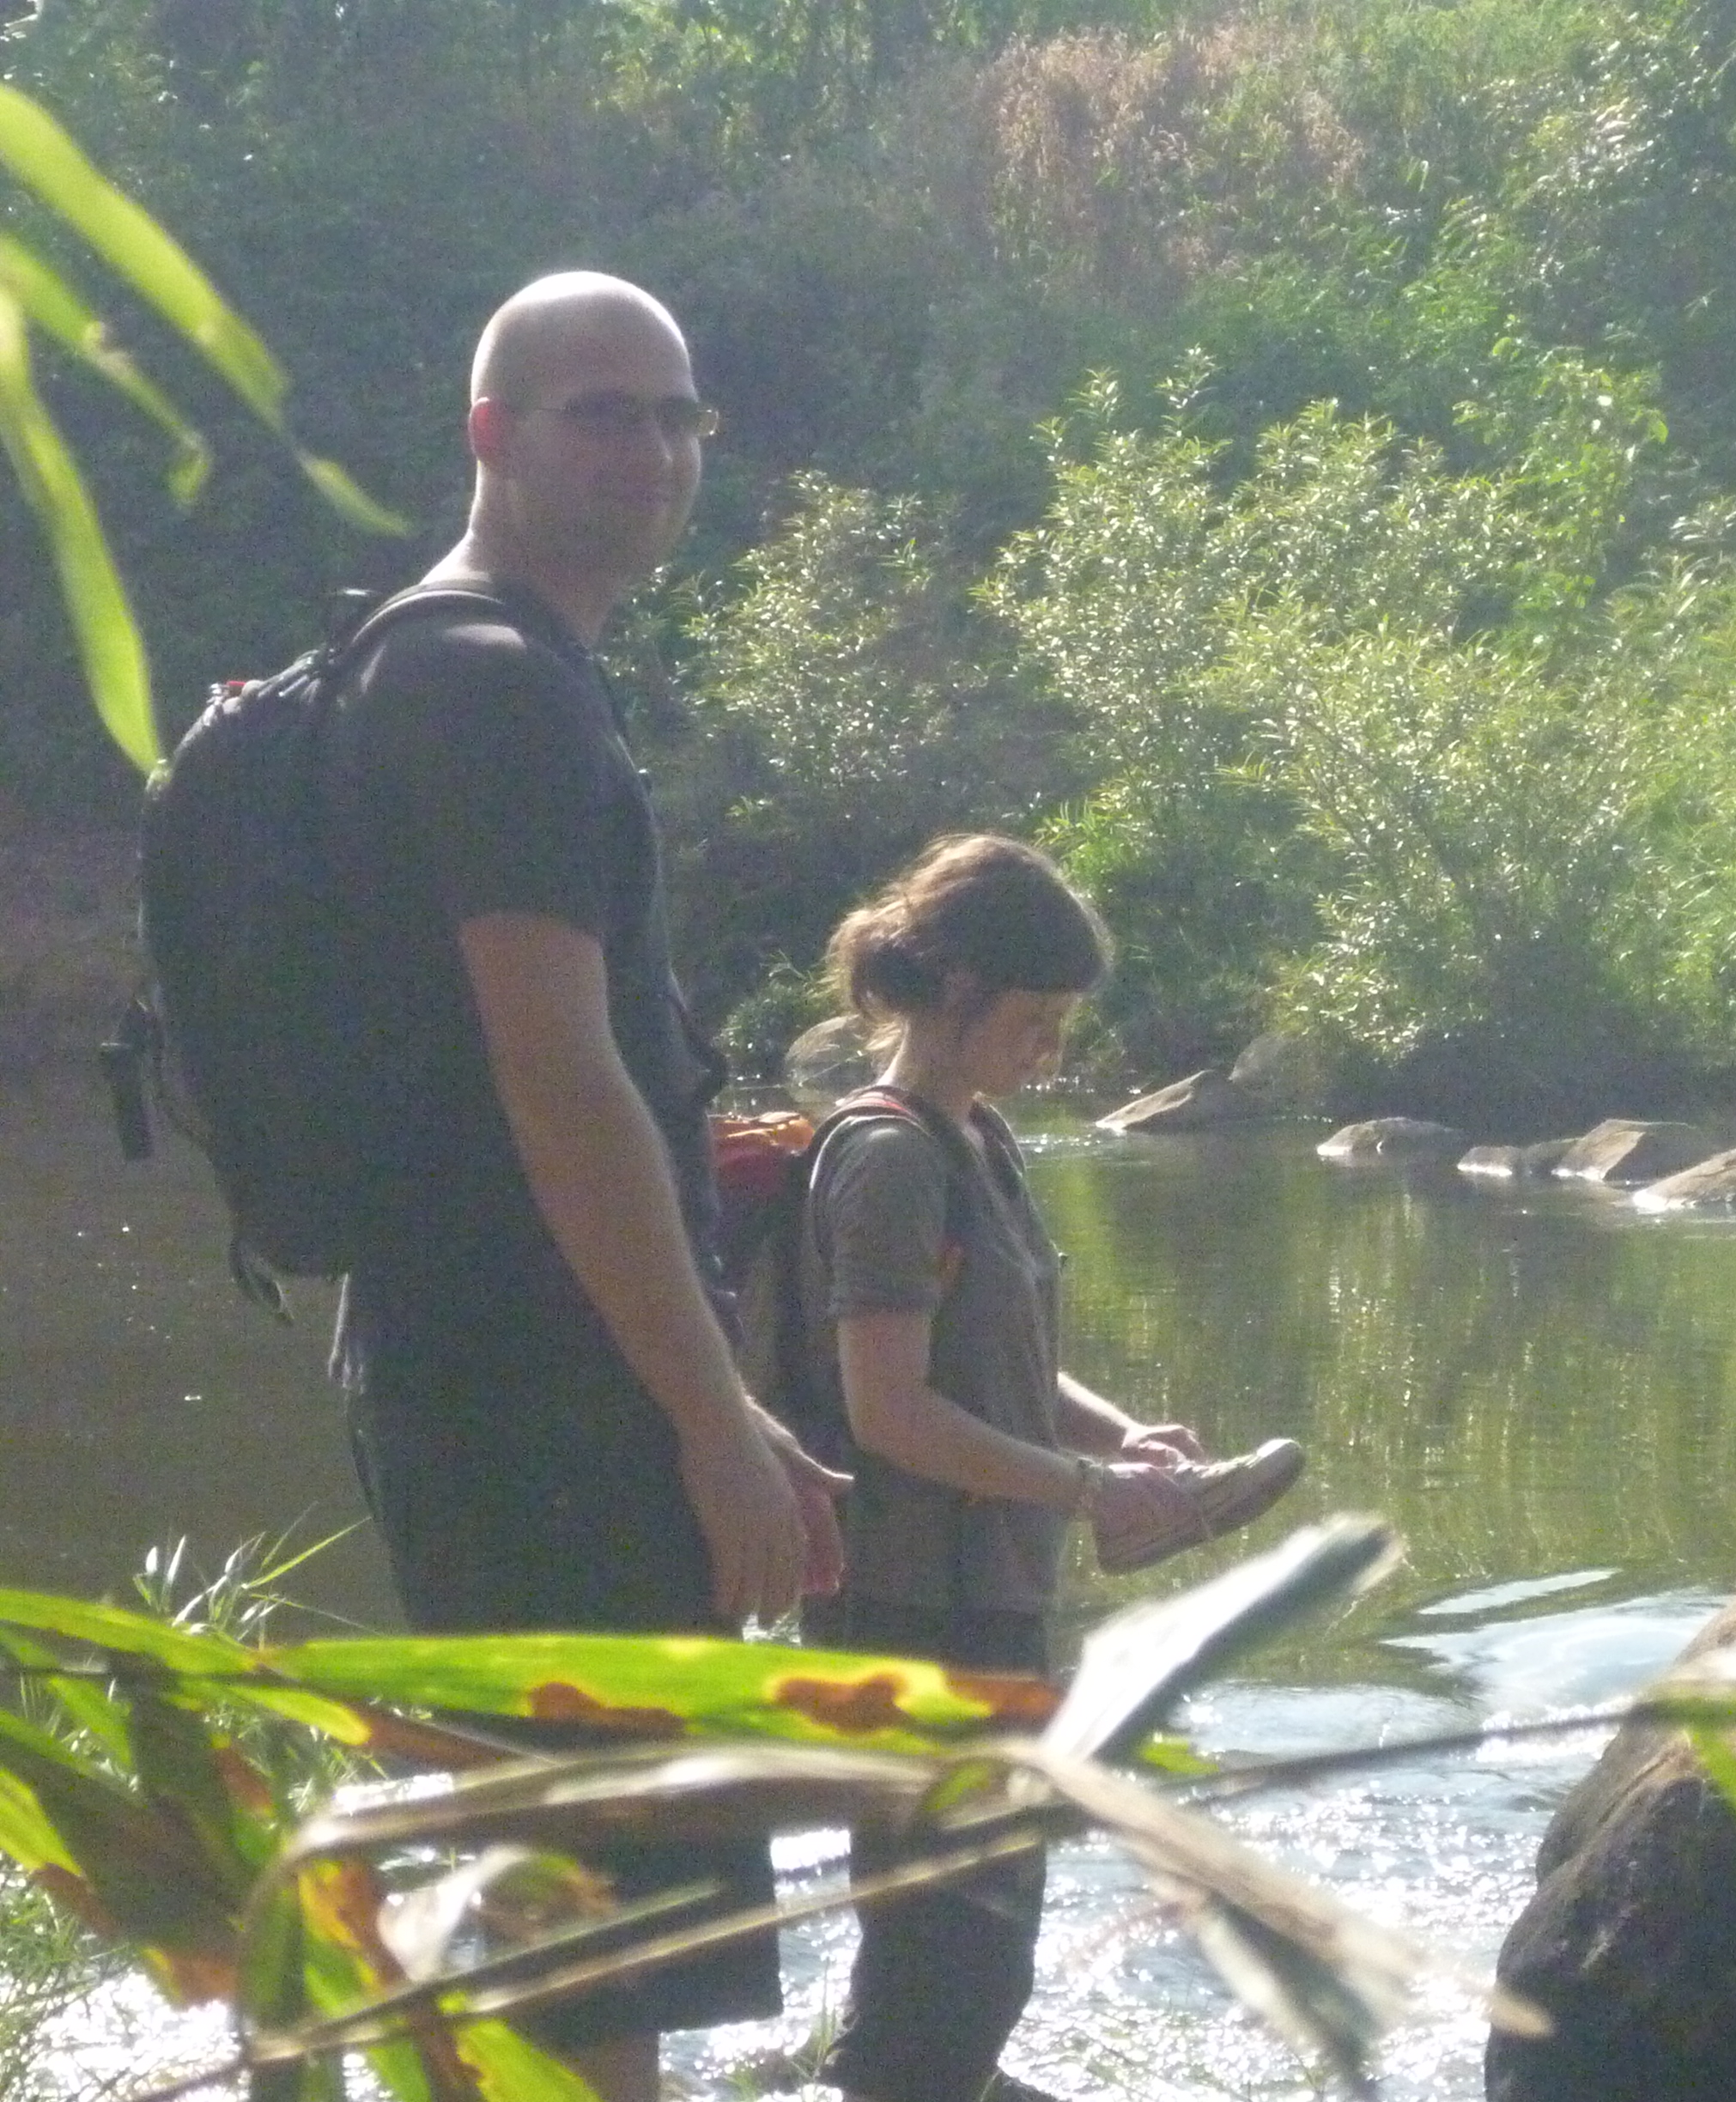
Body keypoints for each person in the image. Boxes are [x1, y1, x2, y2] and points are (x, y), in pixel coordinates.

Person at [321, 271, 848, 2096]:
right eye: (596, 412)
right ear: (491, 435)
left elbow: (521, 1078)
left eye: (676, 415)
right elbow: (555, 1073)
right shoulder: (489, 686)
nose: (649, 450)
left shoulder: (474, 662)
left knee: (549, 1911)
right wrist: (709, 1414)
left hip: (497, 1368)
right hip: (542, 1398)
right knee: (599, 1954)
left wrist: (719, 1391)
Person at [804, 830, 1305, 2102]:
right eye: (1035, 1019)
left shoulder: (984, 1144)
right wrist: (1094, 1497)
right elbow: (889, 1410)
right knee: (951, 1946)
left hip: (993, 1598)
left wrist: (1116, 1440)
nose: (1053, 1051)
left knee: (974, 1940)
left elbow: (1004, 1359)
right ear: (956, 992)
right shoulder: (889, 1160)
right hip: (907, 1613)